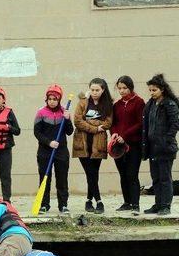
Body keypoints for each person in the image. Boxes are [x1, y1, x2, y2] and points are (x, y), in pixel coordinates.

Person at [73, 78, 113, 214]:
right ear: (89, 89)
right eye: (92, 89)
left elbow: (108, 123)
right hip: (82, 144)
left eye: (97, 90)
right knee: (90, 172)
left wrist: (89, 123)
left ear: (103, 90)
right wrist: (96, 127)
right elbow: (77, 121)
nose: (95, 92)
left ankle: (89, 201)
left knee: (93, 173)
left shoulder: (107, 104)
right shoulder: (83, 102)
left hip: (98, 144)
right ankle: (99, 201)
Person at [142, 74, 179, 216]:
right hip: (152, 148)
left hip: (165, 149)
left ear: (162, 90)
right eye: (150, 90)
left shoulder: (169, 104)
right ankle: (158, 204)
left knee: (165, 178)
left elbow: (175, 125)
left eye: (154, 90)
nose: (151, 93)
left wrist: (167, 141)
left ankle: (166, 206)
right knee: (156, 178)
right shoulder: (150, 104)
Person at [33, 84, 73, 214]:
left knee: (62, 179)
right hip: (45, 151)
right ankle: (44, 205)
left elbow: (69, 131)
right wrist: (49, 142)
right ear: (46, 99)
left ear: (59, 99)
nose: (52, 101)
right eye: (50, 98)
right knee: (45, 178)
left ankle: (63, 205)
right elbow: (37, 133)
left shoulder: (64, 113)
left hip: (61, 152)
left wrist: (67, 120)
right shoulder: (41, 113)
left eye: (55, 99)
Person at [111, 76, 145, 213]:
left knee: (132, 174)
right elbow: (113, 123)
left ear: (130, 87)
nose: (122, 91)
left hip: (133, 144)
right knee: (123, 174)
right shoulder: (117, 105)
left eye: (124, 88)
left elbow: (140, 123)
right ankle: (127, 202)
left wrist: (124, 136)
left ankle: (135, 205)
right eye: (119, 88)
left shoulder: (139, 102)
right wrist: (114, 135)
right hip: (118, 146)